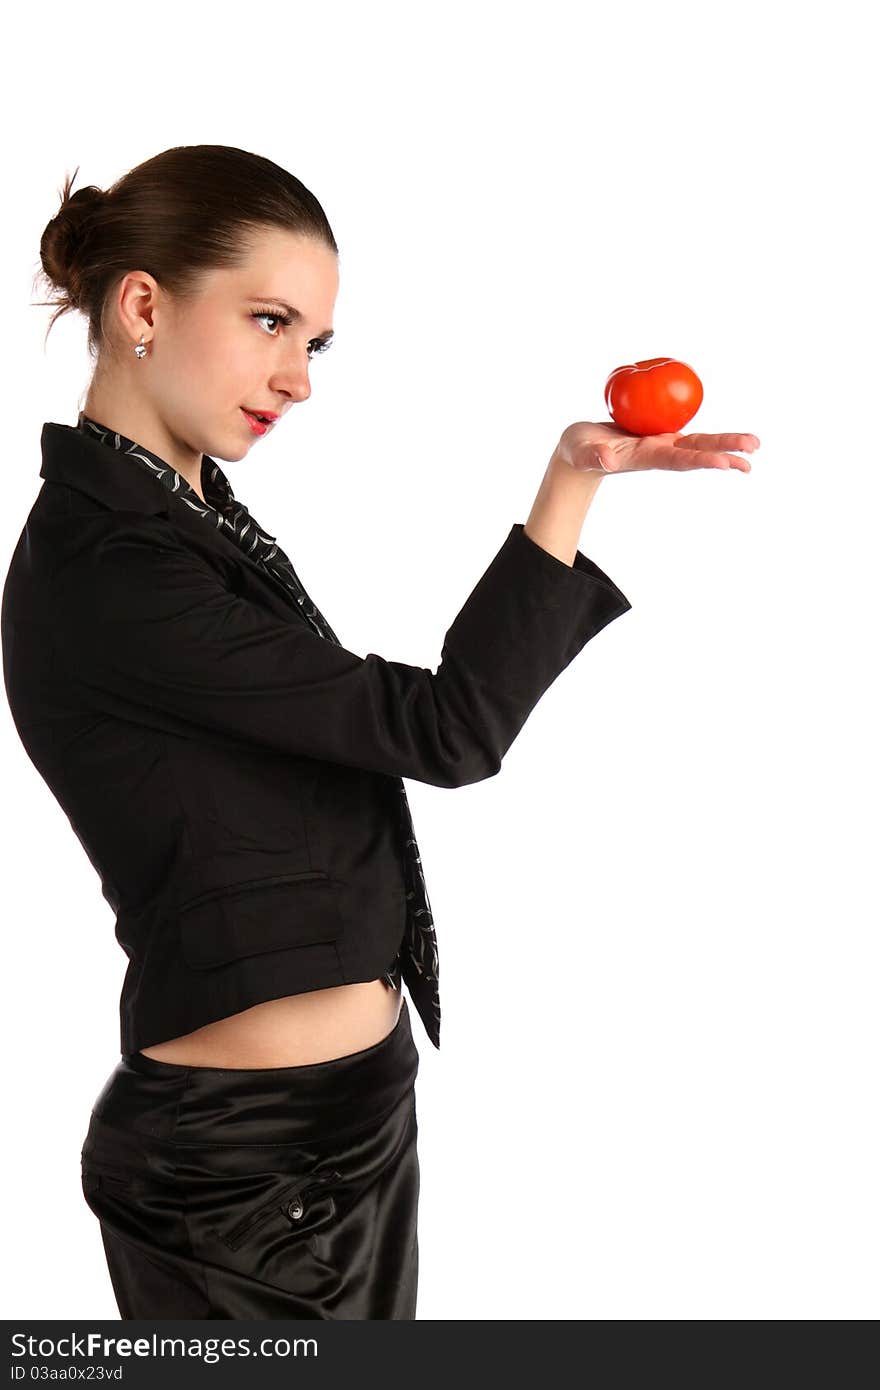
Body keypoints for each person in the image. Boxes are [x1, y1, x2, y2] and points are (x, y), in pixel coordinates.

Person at [1, 144, 758, 1320]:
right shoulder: (115, 568)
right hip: (243, 1173)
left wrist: (573, 471)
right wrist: (569, 485)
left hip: (342, 1120)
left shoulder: (177, 510)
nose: (297, 378)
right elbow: (444, 729)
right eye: (269, 322)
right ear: (143, 303)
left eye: (313, 342)